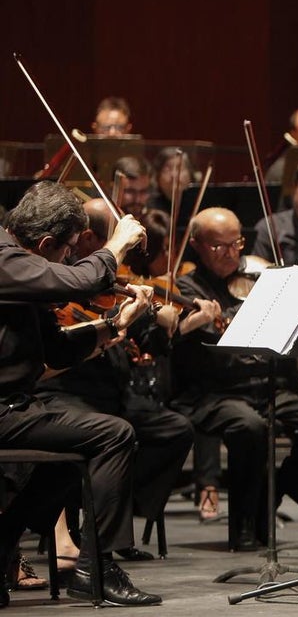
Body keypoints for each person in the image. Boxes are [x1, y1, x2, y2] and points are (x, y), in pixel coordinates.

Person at [0, 181, 161, 605]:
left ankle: (3, 544)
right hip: (4, 410)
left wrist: (113, 325)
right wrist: (118, 244)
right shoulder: (5, 261)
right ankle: (96, 568)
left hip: (17, 406)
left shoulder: (22, 270)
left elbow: (57, 348)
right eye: (69, 248)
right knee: (114, 434)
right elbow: (78, 279)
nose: (71, 257)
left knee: (79, 450)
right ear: (47, 243)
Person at [34, 199, 198, 560]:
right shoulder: (59, 279)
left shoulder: (111, 285)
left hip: (113, 395)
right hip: (66, 394)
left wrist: (168, 324)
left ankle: (112, 509)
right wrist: (109, 326)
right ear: (90, 238)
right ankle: (102, 541)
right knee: (113, 432)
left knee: (176, 430)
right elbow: (55, 352)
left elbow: (152, 344)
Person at [170, 207, 298, 551]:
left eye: (236, 243)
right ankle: (244, 526)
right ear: (196, 245)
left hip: (267, 385)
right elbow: (178, 337)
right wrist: (200, 320)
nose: (232, 253)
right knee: (249, 427)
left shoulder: (258, 275)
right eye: (219, 247)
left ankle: (273, 496)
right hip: (214, 393)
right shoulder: (187, 287)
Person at [148, 146, 199, 214]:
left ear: (190, 173)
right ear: (157, 176)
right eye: (167, 169)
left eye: (179, 168)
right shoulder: (149, 208)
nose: (174, 175)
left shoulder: (199, 203)